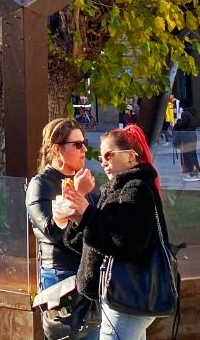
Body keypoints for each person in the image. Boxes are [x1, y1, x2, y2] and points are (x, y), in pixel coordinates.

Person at [54, 125, 168, 340]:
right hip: (123, 296)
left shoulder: (135, 188)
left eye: (109, 155)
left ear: (131, 157)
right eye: (101, 157)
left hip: (126, 297)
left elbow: (125, 242)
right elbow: (92, 243)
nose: (103, 162)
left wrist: (86, 214)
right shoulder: (118, 190)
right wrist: (79, 218)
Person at [26, 118, 96, 291]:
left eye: (84, 143)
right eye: (77, 145)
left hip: (87, 270)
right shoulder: (40, 184)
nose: (84, 150)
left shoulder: (80, 178)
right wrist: (78, 194)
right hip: (60, 274)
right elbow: (53, 232)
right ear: (57, 149)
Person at [173, 105, 200, 181]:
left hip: (186, 137)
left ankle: (191, 173)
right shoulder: (193, 113)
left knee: (187, 155)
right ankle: (195, 172)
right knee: (193, 154)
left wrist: (177, 123)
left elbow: (183, 124)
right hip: (193, 136)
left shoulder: (185, 113)